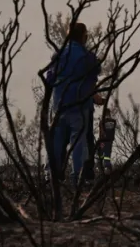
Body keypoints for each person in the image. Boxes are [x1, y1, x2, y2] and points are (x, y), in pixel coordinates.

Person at [48, 22, 100, 186]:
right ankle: (77, 178)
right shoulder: (87, 57)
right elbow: (94, 76)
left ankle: (51, 176)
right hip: (79, 105)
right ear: (84, 36)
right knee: (79, 141)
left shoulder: (59, 54)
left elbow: (49, 79)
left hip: (59, 104)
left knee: (56, 142)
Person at [97, 105, 117, 175]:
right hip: (110, 140)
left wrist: (100, 139)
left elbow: (101, 132)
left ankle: (102, 169)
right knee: (107, 155)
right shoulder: (113, 121)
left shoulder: (102, 121)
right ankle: (108, 167)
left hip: (103, 141)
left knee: (101, 154)